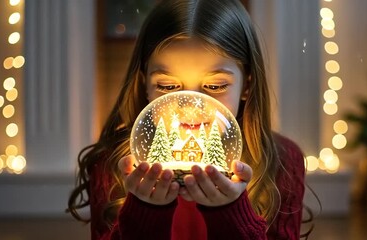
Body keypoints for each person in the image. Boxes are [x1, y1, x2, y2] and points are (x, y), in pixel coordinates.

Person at [68, 0, 309, 239]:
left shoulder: (283, 162)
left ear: (247, 84)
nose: (191, 109)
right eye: (168, 86)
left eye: (215, 86)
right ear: (145, 86)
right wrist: (144, 212)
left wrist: (232, 214)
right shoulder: (113, 165)